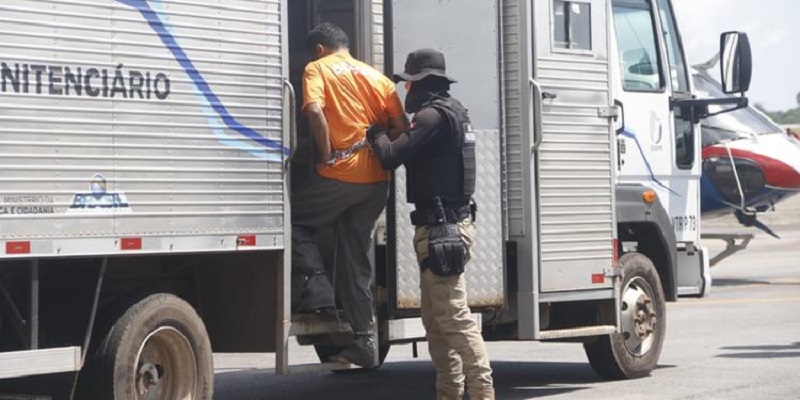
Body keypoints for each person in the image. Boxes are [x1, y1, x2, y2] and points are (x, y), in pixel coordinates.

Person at [368, 49, 495, 400]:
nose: (406, 91)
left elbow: (390, 156)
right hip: (445, 226)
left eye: (408, 84)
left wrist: (373, 130)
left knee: (453, 318)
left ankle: (482, 392)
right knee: (436, 322)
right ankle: (449, 392)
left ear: (421, 82)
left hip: (442, 229)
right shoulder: (454, 111)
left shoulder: (431, 117)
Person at [292, 22, 407, 368]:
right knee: (355, 257)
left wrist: (325, 154)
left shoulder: (317, 68)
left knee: (291, 221)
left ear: (319, 49)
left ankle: (319, 292)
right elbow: (400, 127)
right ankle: (363, 340)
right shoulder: (378, 79)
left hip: (341, 175)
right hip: (377, 183)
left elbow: (315, 111)